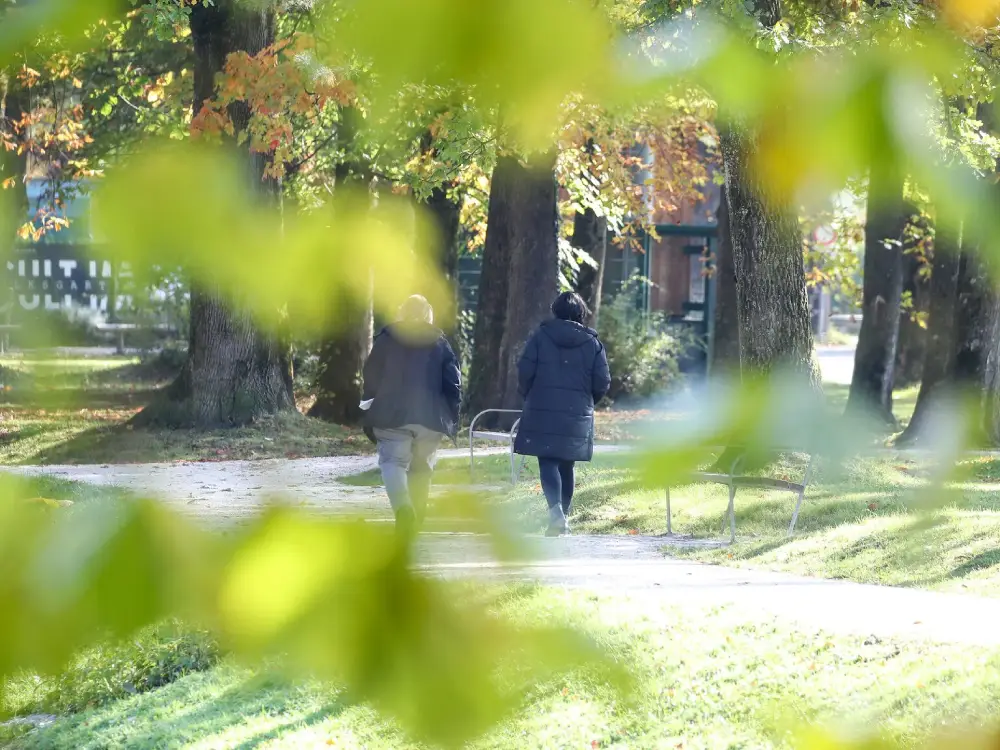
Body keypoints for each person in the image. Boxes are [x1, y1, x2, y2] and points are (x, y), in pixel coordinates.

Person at [362, 295, 461, 539]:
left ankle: (404, 511)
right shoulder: (440, 343)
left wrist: (368, 403)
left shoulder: (386, 339)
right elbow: (453, 384)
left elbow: (371, 374)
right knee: (422, 467)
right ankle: (417, 518)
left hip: (390, 413)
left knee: (393, 462)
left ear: (402, 312)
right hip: (429, 416)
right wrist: (452, 416)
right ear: (428, 314)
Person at [513, 291, 611, 536]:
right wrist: (588, 402)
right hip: (576, 411)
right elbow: (603, 381)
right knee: (567, 464)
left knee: (547, 460)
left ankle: (556, 513)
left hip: (542, 408)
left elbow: (524, 370)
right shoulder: (593, 344)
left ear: (555, 311)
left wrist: (530, 395)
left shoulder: (540, 337)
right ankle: (562, 517)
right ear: (581, 314)